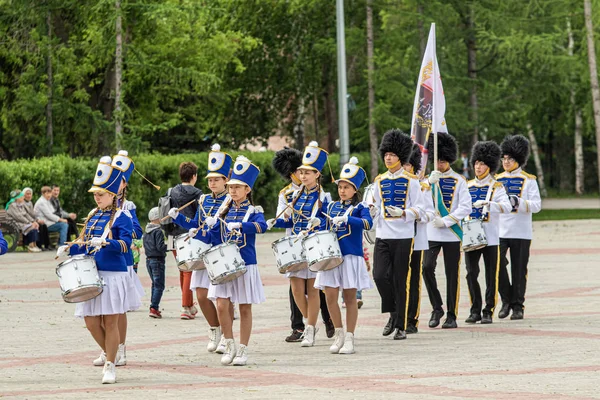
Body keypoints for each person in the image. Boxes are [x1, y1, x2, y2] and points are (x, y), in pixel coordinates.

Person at [56, 156, 139, 384]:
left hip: (114, 273)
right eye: (95, 194)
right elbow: (83, 241)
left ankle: (110, 365)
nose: (96, 197)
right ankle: (111, 352)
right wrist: (70, 248)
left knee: (110, 321)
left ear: (112, 194)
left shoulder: (123, 216)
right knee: (91, 321)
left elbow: (125, 245)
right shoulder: (93, 215)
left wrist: (106, 243)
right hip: (92, 273)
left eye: (100, 194)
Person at [192, 155, 267, 366]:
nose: (233, 191)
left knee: (244, 308)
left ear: (247, 190)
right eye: (231, 186)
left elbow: (263, 227)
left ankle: (243, 349)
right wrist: (195, 231)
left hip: (245, 264)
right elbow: (212, 237)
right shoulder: (223, 212)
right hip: (224, 264)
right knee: (222, 305)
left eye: (238, 187)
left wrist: (243, 226)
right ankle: (230, 343)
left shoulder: (254, 211)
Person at [169, 143, 231, 353]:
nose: (212, 183)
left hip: (222, 253)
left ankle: (227, 335)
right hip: (203, 252)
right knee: (203, 297)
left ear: (226, 181)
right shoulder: (203, 200)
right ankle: (215, 329)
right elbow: (195, 224)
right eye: (210, 180)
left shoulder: (231, 201)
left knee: (223, 299)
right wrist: (179, 218)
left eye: (217, 179)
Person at [268, 141, 331, 347]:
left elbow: (327, 220)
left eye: (307, 172)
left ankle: (310, 329)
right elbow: (288, 219)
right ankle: (309, 322)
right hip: (295, 244)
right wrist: (276, 220)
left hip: (313, 244)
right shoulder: (292, 195)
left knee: (313, 290)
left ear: (317, 174)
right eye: (301, 173)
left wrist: (318, 221)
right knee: (296, 289)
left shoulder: (324, 196)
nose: (303, 176)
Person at [315, 157, 373, 354]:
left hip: (350, 256)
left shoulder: (360, 207)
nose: (342, 190)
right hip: (331, 257)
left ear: (355, 189)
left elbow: (368, 224)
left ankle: (350, 337)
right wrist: (314, 226)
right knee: (330, 295)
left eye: (346, 187)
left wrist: (349, 219)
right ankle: (338, 333)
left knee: (349, 298)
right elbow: (323, 226)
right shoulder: (330, 206)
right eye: (340, 186)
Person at [369, 129, 422, 341]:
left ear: (400, 156)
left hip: (404, 236)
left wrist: (404, 213)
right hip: (383, 235)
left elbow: (422, 210)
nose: (388, 157)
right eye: (385, 154)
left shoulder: (412, 181)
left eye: (391, 154)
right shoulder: (379, 181)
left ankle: (401, 324)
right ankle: (392, 312)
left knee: (401, 280)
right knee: (380, 275)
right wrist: (371, 211)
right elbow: (372, 206)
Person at [423, 133, 472, 329]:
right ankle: (437, 307)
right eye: (437, 160)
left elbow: (466, 207)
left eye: (443, 160)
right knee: (426, 268)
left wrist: (446, 220)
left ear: (449, 160)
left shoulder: (459, 180)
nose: (440, 164)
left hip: (451, 232)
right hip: (431, 232)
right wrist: (427, 185)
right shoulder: (427, 180)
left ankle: (452, 314)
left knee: (452, 274)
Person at [465, 141, 511, 324]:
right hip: (471, 233)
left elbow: (507, 207)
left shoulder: (497, 187)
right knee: (471, 273)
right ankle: (475, 309)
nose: (478, 166)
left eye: (482, 163)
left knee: (491, 275)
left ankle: (488, 309)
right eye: (476, 163)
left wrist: (489, 205)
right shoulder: (467, 185)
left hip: (491, 236)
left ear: (489, 166)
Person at [496, 135, 542, 320]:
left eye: (510, 159)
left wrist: (519, 202)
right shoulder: (497, 179)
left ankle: (518, 305)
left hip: (521, 231)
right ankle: (506, 299)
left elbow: (537, 205)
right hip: (499, 231)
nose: (506, 162)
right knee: (497, 266)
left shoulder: (529, 180)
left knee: (519, 269)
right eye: (504, 158)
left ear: (519, 160)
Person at [109, 150, 145, 367]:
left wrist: (123, 232)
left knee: (119, 309)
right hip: (103, 263)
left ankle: (121, 348)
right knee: (104, 309)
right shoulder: (100, 205)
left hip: (123, 263)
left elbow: (138, 232)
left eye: (119, 179)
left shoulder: (127, 207)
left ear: (124, 184)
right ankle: (107, 349)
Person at [404, 143, 435, 334]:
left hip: (416, 239)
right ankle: (396, 314)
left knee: (414, 279)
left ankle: (411, 318)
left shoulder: (423, 188)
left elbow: (430, 214)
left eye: (408, 164)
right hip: (396, 238)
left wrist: (417, 214)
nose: (405, 168)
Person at [166, 162, 203, 320]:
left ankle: (188, 305)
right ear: (194, 176)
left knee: (182, 269)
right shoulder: (198, 193)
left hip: (172, 235)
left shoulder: (172, 191)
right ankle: (185, 307)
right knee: (189, 270)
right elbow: (199, 216)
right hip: (189, 235)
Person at [144, 207, 167, 318]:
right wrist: (169, 246)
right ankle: (154, 307)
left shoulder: (147, 231)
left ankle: (153, 307)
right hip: (158, 261)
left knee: (154, 284)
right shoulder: (158, 231)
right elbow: (160, 247)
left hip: (148, 260)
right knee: (159, 285)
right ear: (158, 218)